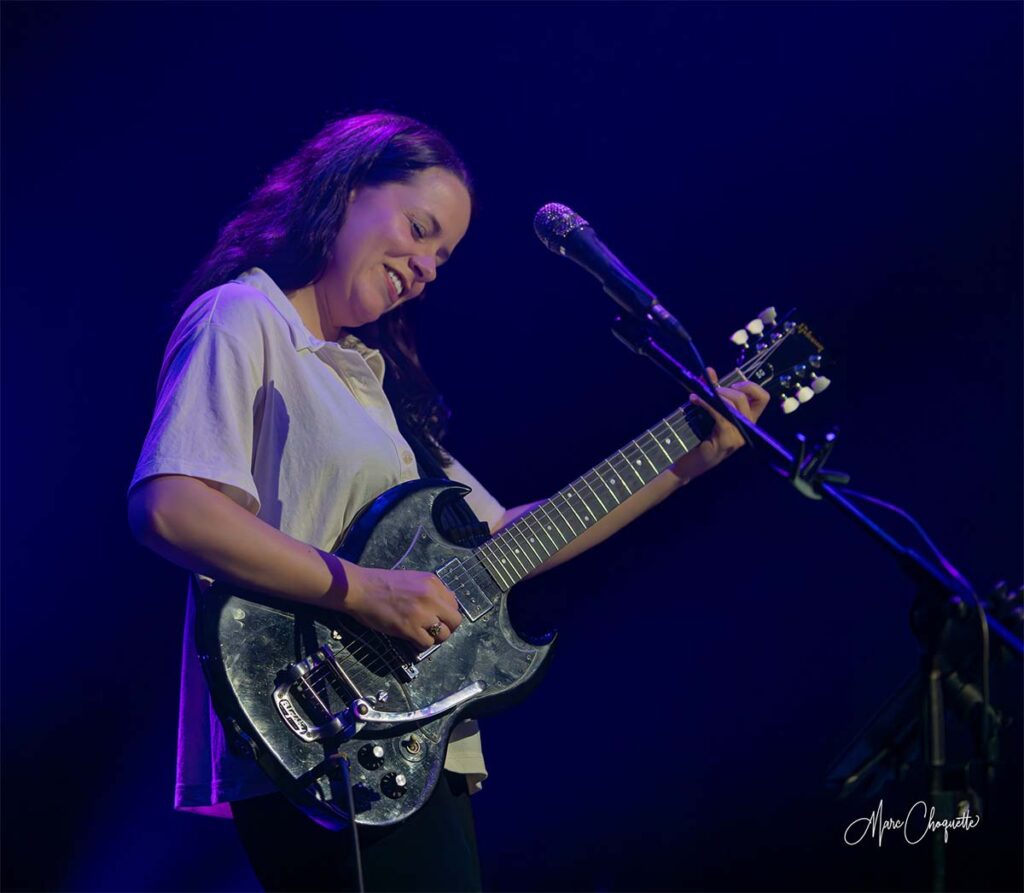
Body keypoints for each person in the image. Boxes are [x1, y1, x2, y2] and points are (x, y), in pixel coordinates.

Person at [128, 111, 768, 892]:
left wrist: (686, 457)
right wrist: (365, 589)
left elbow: (506, 537)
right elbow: (171, 504)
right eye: (421, 229)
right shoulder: (245, 317)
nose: (429, 267)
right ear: (348, 188)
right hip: (320, 731)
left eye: (443, 256)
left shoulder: (372, 381)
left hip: (410, 744)